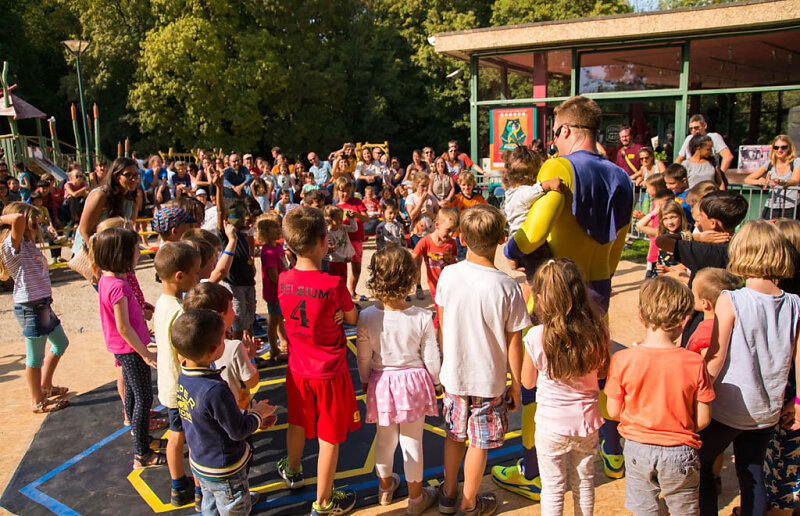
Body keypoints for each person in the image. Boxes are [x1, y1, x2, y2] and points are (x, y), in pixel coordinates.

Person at [495, 96, 633, 498]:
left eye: (554, 132)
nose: (553, 141)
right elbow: (619, 241)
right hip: (599, 287)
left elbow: (533, 233)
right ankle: (613, 453)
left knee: (538, 381)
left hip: (554, 289)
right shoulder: (622, 176)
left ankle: (533, 471)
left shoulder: (558, 168)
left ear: (567, 130)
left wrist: (511, 250)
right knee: (597, 370)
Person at [698, 220, 800, 516]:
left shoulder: (731, 299)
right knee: (752, 471)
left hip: (727, 408)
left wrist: (696, 392)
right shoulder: (794, 303)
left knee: (701, 463)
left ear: (740, 252)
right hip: (767, 410)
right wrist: (797, 401)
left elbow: (716, 356)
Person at [436, 204, 529, 515]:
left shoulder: (448, 275)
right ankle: (469, 503)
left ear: (461, 238)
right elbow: (514, 341)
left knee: (454, 436)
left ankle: (448, 494)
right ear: (502, 239)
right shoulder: (507, 286)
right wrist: (516, 383)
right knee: (479, 443)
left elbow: (442, 324)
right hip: (488, 380)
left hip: (455, 374)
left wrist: (445, 364)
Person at [605, 276, 715, 516]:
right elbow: (703, 419)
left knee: (645, 510)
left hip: (637, 448)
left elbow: (613, 411)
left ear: (640, 315)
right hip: (680, 450)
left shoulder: (622, 360)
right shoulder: (695, 362)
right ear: (685, 320)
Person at [276, 207, 360, 516]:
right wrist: (340, 313)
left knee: (297, 422)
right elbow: (352, 317)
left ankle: (293, 469)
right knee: (329, 439)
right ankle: (324, 502)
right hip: (329, 372)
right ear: (324, 241)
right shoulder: (332, 285)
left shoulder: (283, 279)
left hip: (298, 369)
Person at [356, 246, 441, 514]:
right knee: (412, 442)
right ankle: (416, 498)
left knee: (384, 440)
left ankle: (385, 488)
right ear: (410, 278)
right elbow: (432, 358)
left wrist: (365, 379)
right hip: (413, 382)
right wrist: (437, 383)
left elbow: (363, 357)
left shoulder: (367, 317)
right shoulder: (422, 316)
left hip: (382, 382)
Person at [523, 259, 610, 516]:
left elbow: (527, 382)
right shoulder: (598, 330)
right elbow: (603, 371)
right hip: (587, 421)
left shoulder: (536, 336)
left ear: (541, 298)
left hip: (551, 424)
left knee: (552, 488)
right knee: (584, 482)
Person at [172, 310, 277, 516]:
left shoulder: (184, 378)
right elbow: (237, 431)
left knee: (210, 503)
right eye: (223, 339)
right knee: (234, 509)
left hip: (202, 463)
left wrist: (250, 418)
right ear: (214, 350)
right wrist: (257, 415)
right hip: (225, 470)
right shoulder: (215, 389)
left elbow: (211, 417)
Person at [95, 228, 162, 468]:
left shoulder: (108, 280)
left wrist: (141, 311)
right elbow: (123, 327)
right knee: (144, 398)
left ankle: (142, 440)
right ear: (121, 254)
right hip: (131, 350)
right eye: (135, 250)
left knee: (134, 395)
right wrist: (145, 354)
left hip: (124, 349)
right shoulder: (119, 286)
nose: (138, 254)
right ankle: (142, 454)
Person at [0, 202, 70, 413]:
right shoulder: (13, 246)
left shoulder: (28, 244)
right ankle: (37, 401)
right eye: (34, 224)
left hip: (42, 304)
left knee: (60, 343)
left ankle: (45, 386)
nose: (37, 228)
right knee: (34, 358)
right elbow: (17, 219)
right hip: (30, 307)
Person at [655, 190, 749, 344]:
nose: (698, 220)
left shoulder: (703, 250)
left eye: (701, 216)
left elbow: (662, 240)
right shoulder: (741, 246)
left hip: (701, 317)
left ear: (713, 223)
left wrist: (694, 236)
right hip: (731, 313)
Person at [153, 241, 201, 506]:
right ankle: (200, 489)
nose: (198, 277)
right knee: (193, 440)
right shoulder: (180, 311)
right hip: (183, 385)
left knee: (175, 435)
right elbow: (184, 353)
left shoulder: (162, 304)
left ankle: (177, 485)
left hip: (168, 384)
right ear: (179, 276)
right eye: (195, 272)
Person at [182, 283, 260, 411]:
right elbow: (251, 381)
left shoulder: (190, 345)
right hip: (234, 413)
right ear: (222, 316)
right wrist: (250, 357)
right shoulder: (234, 347)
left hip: (204, 412)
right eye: (231, 307)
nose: (234, 311)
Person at [500, 146, 563, 280]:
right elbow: (535, 190)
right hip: (528, 242)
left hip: (517, 240)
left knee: (533, 274)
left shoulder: (511, 193)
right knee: (538, 276)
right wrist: (550, 183)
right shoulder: (523, 192)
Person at [73, 158, 141, 267]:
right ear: (116, 176)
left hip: (114, 250)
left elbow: (129, 227)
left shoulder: (133, 198)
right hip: (92, 250)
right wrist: (99, 257)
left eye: (136, 175)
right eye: (128, 175)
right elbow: (84, 230)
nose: (133, 179)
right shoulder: (100, 196)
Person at [213, 173, 256, 340]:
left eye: (242, 214)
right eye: (236, 215)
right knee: (238, 321)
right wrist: (219, 187)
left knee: (249, 319)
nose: (241, 218)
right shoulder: (226, 235)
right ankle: (238, 348)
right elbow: (220, 211)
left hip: (248, 283)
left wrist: (251, 264)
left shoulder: (243, 235)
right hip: (235, 284)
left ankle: (250, 347)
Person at [255, 213, 288, 361]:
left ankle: (284, 341)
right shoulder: (268, 251)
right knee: (274, 320)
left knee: (280, 317)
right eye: (274, 227)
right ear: (265, 232)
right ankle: (274, 349)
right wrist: (285, 284)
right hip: (274, 291)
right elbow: (274, 276)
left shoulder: (278, 246)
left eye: (279, 226)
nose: (278, 229)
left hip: (281, 290)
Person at [687, 267, 742, 355]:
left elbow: (708, 360)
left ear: (705, 303)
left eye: (692, 290)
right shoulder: (733, 324)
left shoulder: (708, 333)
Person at [744, 134, 800, 219]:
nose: (779, 150)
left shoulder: (796, 162)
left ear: (789, 148)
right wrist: (760, 182)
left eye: (783, 147)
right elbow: (748, 179)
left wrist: (780, 182)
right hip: (771, 206)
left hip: (791, 206)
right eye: (776, 147)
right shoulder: (769, 163)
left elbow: (795, 181)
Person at [412, 209, 458, 307]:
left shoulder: (452, 243)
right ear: (437, 225)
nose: (451, 234)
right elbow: (413, 257)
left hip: (449, 285)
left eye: (453, 231)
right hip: (434, 286)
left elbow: (454, 261)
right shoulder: (425, 241)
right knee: (439, 309)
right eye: (448, 230)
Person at [334, 177, 370, 301]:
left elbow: (367, 219)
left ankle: (352, 292)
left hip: (356, 241)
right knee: (341, 270)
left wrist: (356, 215)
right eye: (342, 191)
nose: (345, 194)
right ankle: (342, 296)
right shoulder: (335, 207)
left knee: (357, 269)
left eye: (348, 191)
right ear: (337, 191)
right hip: (342, 242)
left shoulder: (356, 202)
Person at [636, 189, 678, 279]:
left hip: (676, 273)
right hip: (659, 270)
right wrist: (654, 212)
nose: (670, 222)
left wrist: (670, 269)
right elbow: (640, 225)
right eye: (665, 219)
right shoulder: (661, 232)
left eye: (673, 217)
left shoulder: (685, 235)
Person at [323, 205, 357, 285]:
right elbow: (332, 251)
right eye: (338, 219)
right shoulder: (329, 234)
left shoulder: (342, 228)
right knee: (335, 283)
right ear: (330, 220)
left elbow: (354, 228)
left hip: (343, 261)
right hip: (334, 262)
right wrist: (343, 258)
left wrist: (351, 218)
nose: (341, 221)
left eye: (342, 218)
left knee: (343, 282)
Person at [405, 172, 439, 240]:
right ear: (416, 185)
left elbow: (438, 217)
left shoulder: (433, 199)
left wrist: (428, 213)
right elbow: (411, 216)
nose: (425, 188)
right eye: (423, 186)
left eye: (427, 185)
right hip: (417, 235)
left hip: (431, 234)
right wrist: (421, 202)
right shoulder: (411, 198)